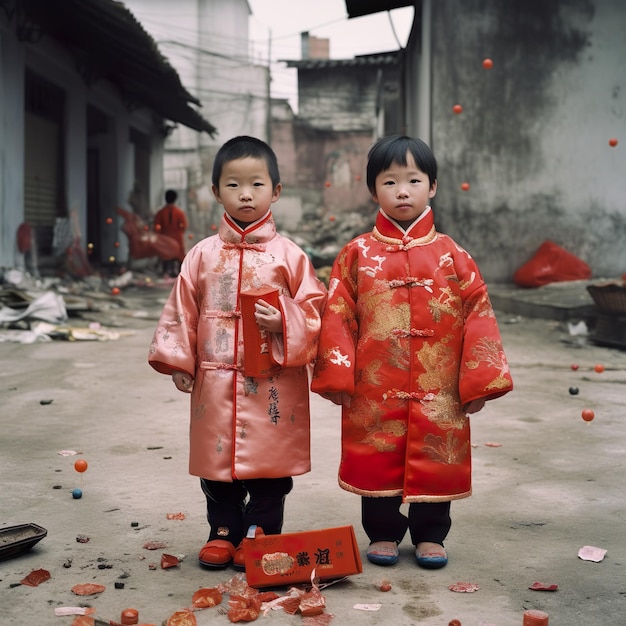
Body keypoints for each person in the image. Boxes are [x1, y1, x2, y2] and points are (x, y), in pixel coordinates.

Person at [311, 135, 513, 569]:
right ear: (373, 190)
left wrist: (477, 381)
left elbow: (479, 314)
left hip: (439, 387)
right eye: (389, 182)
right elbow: (337, 315)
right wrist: (337, 376)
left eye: (413, 180)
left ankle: (430, 535)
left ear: (433, 187)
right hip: (375, 386)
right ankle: (382, 531)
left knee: (438, 458)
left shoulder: (453, 255)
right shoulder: (355, 254)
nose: (402, 191)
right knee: (375, 458)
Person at [148, 136, 327, 571]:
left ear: (276, 191)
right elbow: (182, 309)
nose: (245, 194)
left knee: (270, 467)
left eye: (256, 184)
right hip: (216, 380)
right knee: (216, 460)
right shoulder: (201, 256)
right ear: (216, 192)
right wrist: (179, 360)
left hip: (273, 384)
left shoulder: (291, 257)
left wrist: (283, 321)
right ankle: (222, 530)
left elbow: (316, 309)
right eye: (233, 185)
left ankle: (260, 531)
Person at [153, 189, 188, 276]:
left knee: (165, 255)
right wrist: (180, 232)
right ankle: (180, 272)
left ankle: (165, 272)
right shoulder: (179, 212)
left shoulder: (160, 212)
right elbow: (184, 225)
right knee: (178, 255)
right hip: (177, 237)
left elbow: (157, 226)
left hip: (165, 237)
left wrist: (159, 235)